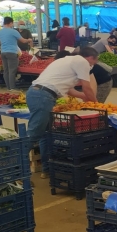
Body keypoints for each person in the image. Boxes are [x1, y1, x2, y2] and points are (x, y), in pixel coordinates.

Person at [27, 47, 99, 178]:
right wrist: (97, 104)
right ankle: (17, 171)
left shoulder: (65, 61)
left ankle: (47, 169)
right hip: (43, 97)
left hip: (36, 93)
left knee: (45, 133)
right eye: (93, 63)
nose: (91, 66)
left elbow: (70, 90)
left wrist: (84, 97)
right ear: (89, 58)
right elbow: (86, 86)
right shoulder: (82, 61)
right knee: (33, 135)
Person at [0, 17, 32, 90]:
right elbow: (23, 41)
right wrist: (29, 40)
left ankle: (8, 87)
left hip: (3, 52)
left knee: (6, 71)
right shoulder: (13, 31)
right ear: (10, 23)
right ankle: (12, 88)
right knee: (12, 71)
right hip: (12, 53)